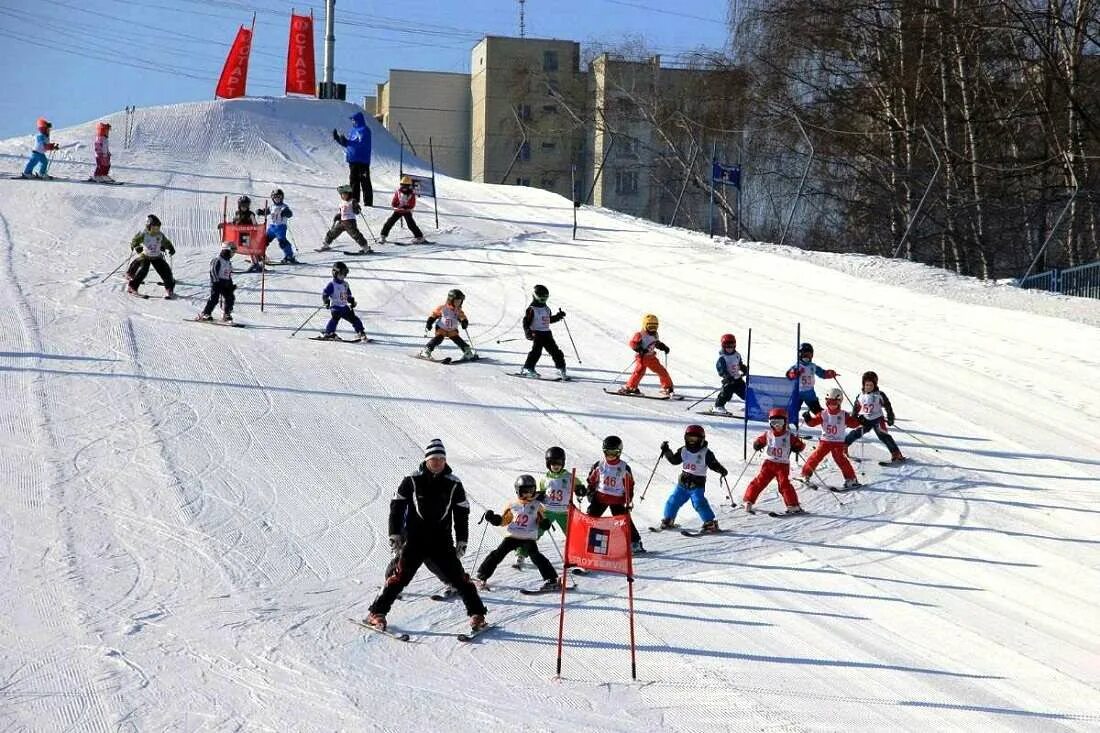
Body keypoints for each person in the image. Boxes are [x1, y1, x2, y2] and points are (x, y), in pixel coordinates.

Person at [364, 439, 488, 633]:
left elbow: (462, 513)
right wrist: (395, 533)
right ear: (427, 460)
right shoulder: (412, 480)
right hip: (415, 539)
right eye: (434, 459)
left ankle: (477, 615)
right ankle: (376, 613)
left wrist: (462, 539)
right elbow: (396, 507)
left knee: (460, 578)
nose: (438, 462)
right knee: (400, 577)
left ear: (445, 461)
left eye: (441, 458)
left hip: (442, 541)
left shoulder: (454, 483)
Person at [476, 475, 560, 591]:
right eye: (524, 492)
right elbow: (504, 520)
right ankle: (482, 576)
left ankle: (551, 580)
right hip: (512, 537)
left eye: (531, 491)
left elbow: (541, 519)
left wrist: (544, 524)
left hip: (528, 538)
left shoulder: (537, 506)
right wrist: (494, 519)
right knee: (497, 554)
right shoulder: (513, 505)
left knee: (537, 557)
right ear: (518, 491)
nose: (528, 495)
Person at [514, 446, 582, 569]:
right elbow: (542, 492)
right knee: (534, 531)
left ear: (563, 462)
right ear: (548, 463)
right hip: (547, 511)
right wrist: (540, 495)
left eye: (558, 463)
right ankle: (521, 554)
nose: (555, 466)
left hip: (564, 512)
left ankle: (578, 558)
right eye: (552, 463)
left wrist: (581, 490)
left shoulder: (569, 477)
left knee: (573, 535)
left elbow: (579, 487)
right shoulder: (545, 478)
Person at [657, 425, 728, 533]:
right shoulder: (684, 450)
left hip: (697, 484)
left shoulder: (706, 453)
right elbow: (674, 460)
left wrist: (721, 470)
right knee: (673, 500)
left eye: (695, 439)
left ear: (701, 439)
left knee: (699, 502)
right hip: (683, 482)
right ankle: (668, 519)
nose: (692, 442)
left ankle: (710, 523)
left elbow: (713, 464)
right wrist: (666, 451)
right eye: (689, 439)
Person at [585, 435, 644, 553]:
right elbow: (592, 479)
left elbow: (629, 485)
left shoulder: (623, 467)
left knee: (623, 521)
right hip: (600, 497)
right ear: (604, 451)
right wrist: (590, 491)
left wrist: (628, 500)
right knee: (590, 517)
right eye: (608, 452)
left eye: (614, 453)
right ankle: (586, 540)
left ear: (619, 452)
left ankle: (635, 542)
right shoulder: (599, 465)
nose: (610, 456)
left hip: (617, 499)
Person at [743, 408, 805, 514]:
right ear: (770, 422)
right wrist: (758, 444)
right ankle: (748, 500)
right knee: (759, 481)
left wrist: (798, 447)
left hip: (782, 465)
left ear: (785, 422)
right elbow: (760, 440)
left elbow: (800, 444)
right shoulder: (768, 434)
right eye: (774, 422)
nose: (777, 425)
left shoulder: (788, 436)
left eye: (780, 422)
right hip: (769, 463)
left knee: (784, 484)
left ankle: (793, 505)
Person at [800, 387, 862, 488]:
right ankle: (805, 474)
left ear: (840, 402)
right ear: (826, 402)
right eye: (829, 403)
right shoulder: (823, 414)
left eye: (834, 403)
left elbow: (853, 424)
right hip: (825, 441)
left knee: (840, 459)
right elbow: (813, 423)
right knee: (816, 456)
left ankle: (851, 479)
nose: (832, 406)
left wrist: (859, 419)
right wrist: (808, 418)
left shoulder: (843, 415)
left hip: (838, 442)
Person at [844, 371, 906, 464]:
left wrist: (890, 416)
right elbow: (856, 407)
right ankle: (843, 446)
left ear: (875, 385)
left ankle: (896, 454)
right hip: (864, 419)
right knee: (856, 433)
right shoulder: (860, 396)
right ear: (863, 385)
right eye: (867, 385)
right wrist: (853, 417)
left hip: (878, 419)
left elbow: (887, 405)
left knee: (884, 436)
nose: (868, 387)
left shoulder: (879, 395)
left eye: (871, 385)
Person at [518, 284, 568, 380]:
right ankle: (527, 368)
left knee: (556, 352)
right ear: (536, 296)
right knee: (536, 352)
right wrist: (528, 332)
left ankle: (561, 368)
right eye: (541, 297)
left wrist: (558, 316)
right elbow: (526, 322)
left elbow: (548, 320)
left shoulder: (546, 309)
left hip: (547, 334)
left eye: (545, 297)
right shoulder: (532, 309)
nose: (543, 300)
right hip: (537, 334)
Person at [617, 314, 674, 397]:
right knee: (639, 372)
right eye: (650, 327)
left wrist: (663, 346)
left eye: (655, 327)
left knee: (662, 371)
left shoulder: (655, 334)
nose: (652, 329)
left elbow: (656, 343)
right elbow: (632, 343)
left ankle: (667, 387)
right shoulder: (640, 334)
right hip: (642, 357)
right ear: (645, 325)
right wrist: (639, 349)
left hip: (651, 358)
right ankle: (630, 387)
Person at [420, 289, 477, 361]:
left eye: (460, 301)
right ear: (450, 300)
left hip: (452, 330)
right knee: (438, 338)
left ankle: (467, 352)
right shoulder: (443, 308)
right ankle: (426, 350)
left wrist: (464, 322)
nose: (458, 303)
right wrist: (429, 322)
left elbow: (462, 317)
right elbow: (434, 315)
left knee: (458, 340)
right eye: (456, 301)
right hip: (441, 328)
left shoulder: (458, 310)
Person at [126, 214, 176, 298]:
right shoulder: (144, 234)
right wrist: (137, 247)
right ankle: (132, 287)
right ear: (149, 226)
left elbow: (166, 242)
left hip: (156, 256)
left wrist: (170, 247)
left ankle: (169, 289)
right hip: (145, 256)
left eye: (158, 228)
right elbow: (134, 241)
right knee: (143, 270)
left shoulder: (159, 235)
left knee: (166, 271)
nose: (156, 230)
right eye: (154, 228)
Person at [332, 111, 373, 207]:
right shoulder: (352, 131)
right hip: (353, 160)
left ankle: (368, 202)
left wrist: (348, 142)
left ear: (358, 120)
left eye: (354, 120)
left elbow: (361, 144)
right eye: (352, 120)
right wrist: (339, 139)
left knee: (365, 180)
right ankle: (355, 200)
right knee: (353, 180)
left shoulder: (365, 130)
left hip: (362, 160)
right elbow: (348, 144)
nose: (353, 122)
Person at [319, 262, 368, 341]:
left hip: (344, 307)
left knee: (354, 319)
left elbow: (348, 294)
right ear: (335, 273)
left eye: (345, 274)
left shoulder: (345, 284)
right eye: (341, 274)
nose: (343, 276)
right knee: (335, 318)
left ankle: (361, 332)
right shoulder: (332, 285)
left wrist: (351, 300)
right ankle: (329, 333)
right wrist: (326, 300)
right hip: (335, 306)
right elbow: (325, 293)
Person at [318, 185, 372, 254]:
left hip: (350, 222)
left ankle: (366, 248)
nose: (343, 196)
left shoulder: (352, 201)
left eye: (345, 194)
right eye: (342, 195)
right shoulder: (341, 203)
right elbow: (342, 212)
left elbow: (357, 211)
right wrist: (338, 216)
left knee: (355, 235)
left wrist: (356, 208)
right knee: (333, 232)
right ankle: (326, 245)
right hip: (342, 222)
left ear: (349, 194)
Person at [218, 195, 264, 273]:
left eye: (246, 205)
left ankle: (256, 264)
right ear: (239, 205)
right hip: (238, 235)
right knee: (231, 248)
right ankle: (226, 263)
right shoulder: (237, 213)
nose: (244, 207)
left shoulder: (250, 214)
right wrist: (224, 225)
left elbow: (255, 225)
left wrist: (257, 230)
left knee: (251, 249)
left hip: (248, 236)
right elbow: (234, 223)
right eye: (242, 205)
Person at [195, 242, 237, 322]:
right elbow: (213, 271)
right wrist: (216, 282)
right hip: (217, 282)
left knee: (230, 298)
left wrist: (230, 284)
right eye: (232, 251)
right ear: (226, 250)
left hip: (226, 283)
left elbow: (228, 274)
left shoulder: (228, 262)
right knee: (214, 299)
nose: (233, 254)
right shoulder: (217, 260)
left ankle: (226, 314)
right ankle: (205, 314)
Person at [378, 175, 426, 244]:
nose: (404, 188)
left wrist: (407, 207)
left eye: (406, 186)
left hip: (406, 211)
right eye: (403, 186)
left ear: (409, 186)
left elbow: (412, 204)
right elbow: (394, 202)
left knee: (411, 224)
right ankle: (383, 236)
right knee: (389, 222)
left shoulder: (411, 194)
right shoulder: (398, 192)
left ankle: (419, 237)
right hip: (398, 211)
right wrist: (397, 205)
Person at [256, 188, 297, 264]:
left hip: (280, 227)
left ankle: (289, 256)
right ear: (272, 198)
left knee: (282, 242)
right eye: (275, 197)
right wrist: (261, 212)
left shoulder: (284, 207)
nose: (277, 199)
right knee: (264, 240)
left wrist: (286, 213)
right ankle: (260, 254)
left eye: (279, 197)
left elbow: (290, 214)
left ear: (282, 198)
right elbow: (266, 211)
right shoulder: (272, 207)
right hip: (272, 227)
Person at [712, 333, 748, 415]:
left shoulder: (737, 355)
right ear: (723, 346)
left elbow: (740, 364)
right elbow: (721, 370)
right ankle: (718, 406)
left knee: (746, 393)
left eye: (731, 346)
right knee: (726, 394)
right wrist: (727, 376)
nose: (729, 348)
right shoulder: (722, 358)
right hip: (729, 380)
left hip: (737, 379)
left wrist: (744, 368)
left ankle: (750, 406)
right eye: (727, 346)